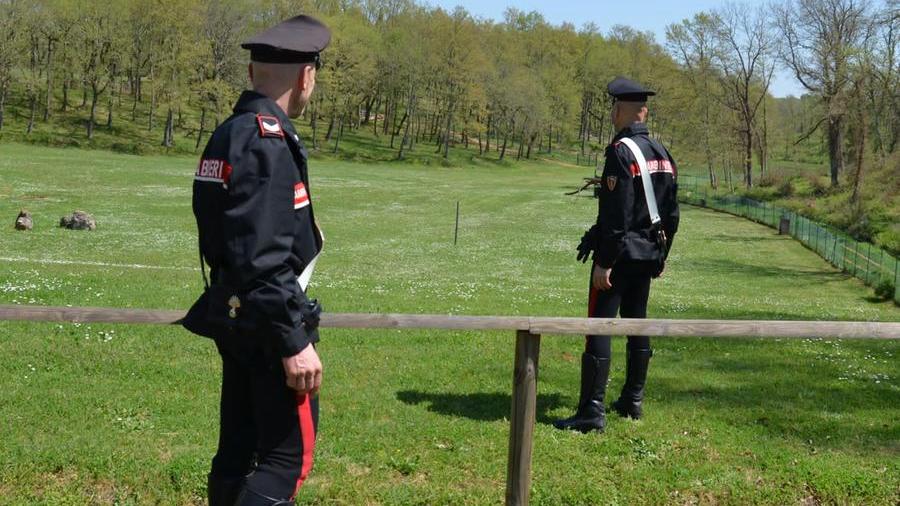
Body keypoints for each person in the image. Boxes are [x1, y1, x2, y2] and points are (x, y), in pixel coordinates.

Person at [181, 15, 331, 505]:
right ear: (307, 76)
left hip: (237, 317)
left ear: (250, 74)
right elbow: (263, 256)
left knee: (239, 451)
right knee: (287, 462)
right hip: (268, 324)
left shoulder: (229, 132)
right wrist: (292, 340)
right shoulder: (267, 140)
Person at [554, 77, 679, 434]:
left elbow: (616, 215)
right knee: (636, 322)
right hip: (648, 253)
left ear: (622, 109)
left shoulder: (621, 152)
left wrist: (604, 262)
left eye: (613, 106)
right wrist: (662, 254)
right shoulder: (662, 153)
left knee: (599, 327)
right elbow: (672, 214)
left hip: (620, 256)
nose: (611, 112)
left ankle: (592, 412)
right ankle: (632, 399)